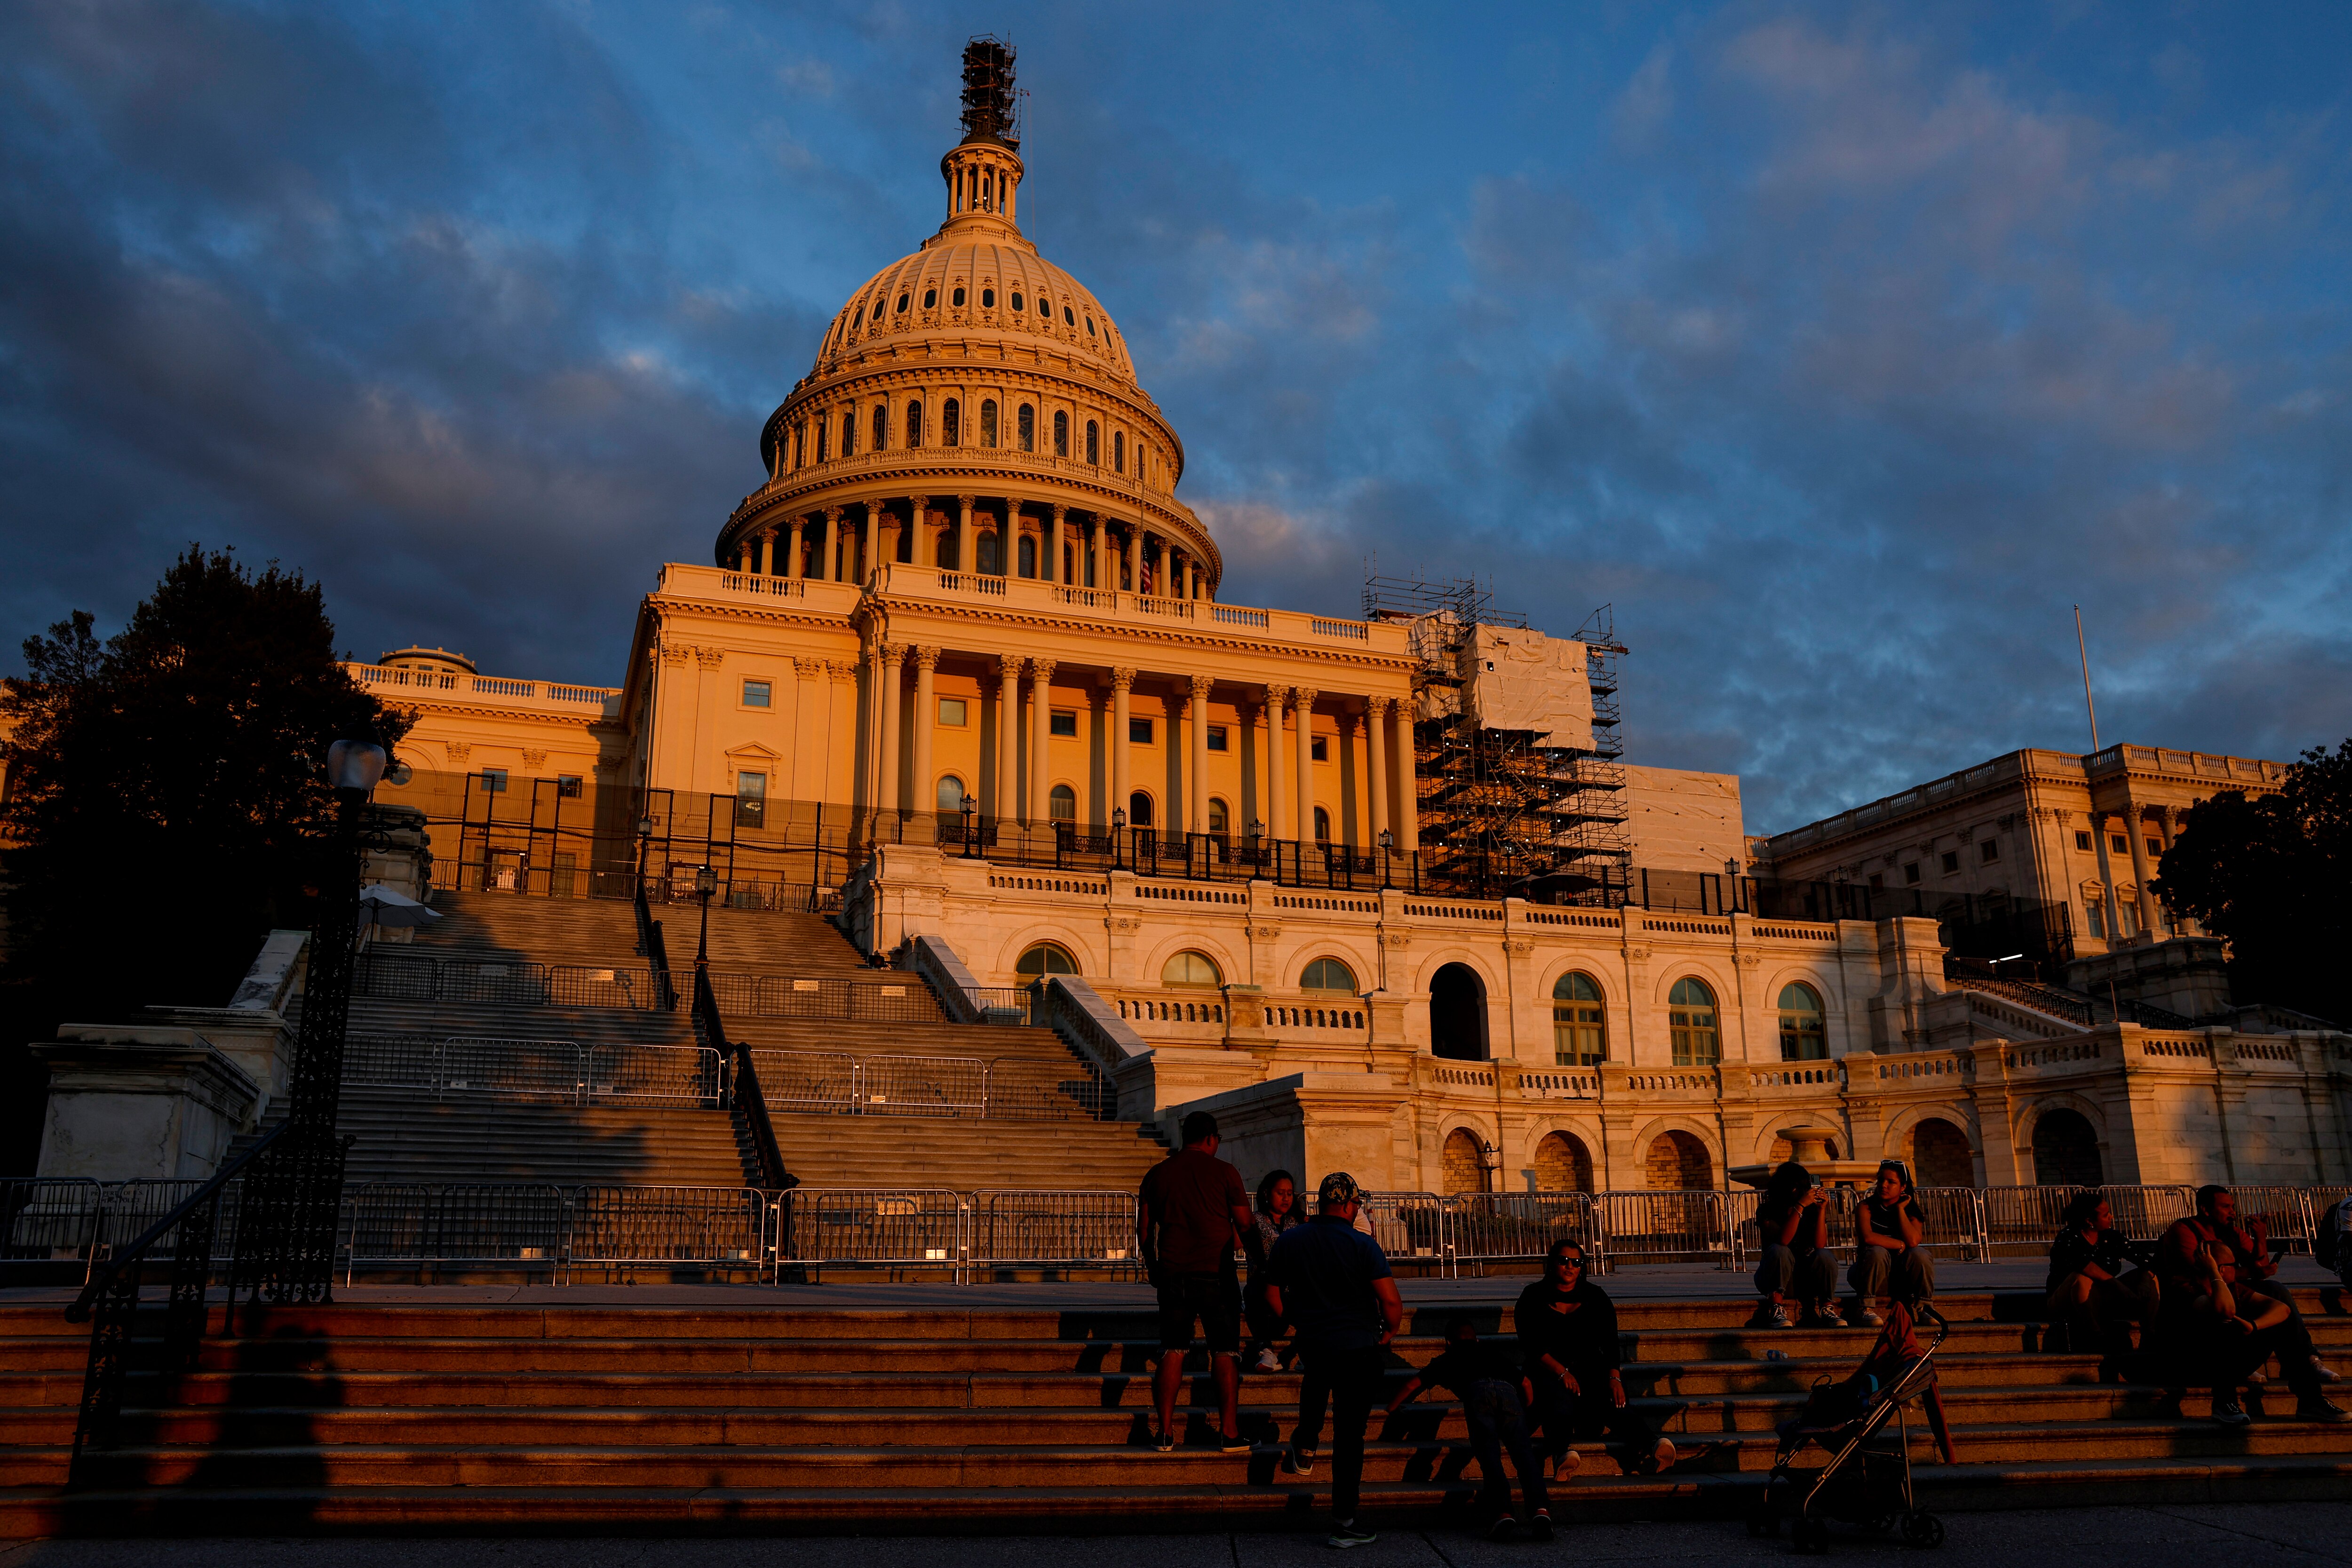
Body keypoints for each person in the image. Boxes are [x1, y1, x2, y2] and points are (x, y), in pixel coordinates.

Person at [1264, 1171, 1404, 1550]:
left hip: (1314, 1340)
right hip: (1357, 1345)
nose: (1356, 1208)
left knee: (1316, 1381)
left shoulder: (1291, 1239)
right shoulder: (1362, 1244)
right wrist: (1389, 1331)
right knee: (1349, 1437)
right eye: (1356, 1204)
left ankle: (1306, 1441)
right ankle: (1344, 1521)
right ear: (1347, 1205)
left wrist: (1297, 1321)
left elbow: (1273, 1294)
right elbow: (1391, 1302)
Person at [2156, 1186, 2341, 1416]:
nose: (2232, 1212)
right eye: (2225, 1207)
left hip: (2223, 1293)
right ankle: (2224, 1402)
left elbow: (2263, 1274)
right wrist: (2224, 1272)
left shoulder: (2232, 1235)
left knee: (2275, 1292)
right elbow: (2215, 1292)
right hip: (2191, 1360)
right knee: (2224, 1321)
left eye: (2233, 1206)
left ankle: (2310, 1391)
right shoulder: (2186, 1239)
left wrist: (2260, 1238)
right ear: (2205, 1209)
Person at [1136, 1110, 1256, 1454]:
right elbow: (1245, 1224)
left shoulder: (1158, 1174)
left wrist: (1153, 1265)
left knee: (1173, 1350)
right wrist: (1259, 1261)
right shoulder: (1225, 1172)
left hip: (1174, 1273)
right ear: (1210, 1138)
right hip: (1217, 1274)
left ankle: (1164, 1431)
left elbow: (1144, 1229)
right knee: (1225, 1351)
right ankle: (1229, 1432)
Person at [1517, 1238, 1676, 1481]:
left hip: (1588, 1371)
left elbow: (1611, 1341)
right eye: (1563, 1261)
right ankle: (1562, 1454)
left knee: (1612, 1402)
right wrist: (1561, 1371)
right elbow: (1531, 1344)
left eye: (1576, 1262)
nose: (1570, 1267)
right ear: (1552, 1264)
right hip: (1547, 1371)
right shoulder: (1533, 1296)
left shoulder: (1596, 1296)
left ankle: (1653, 1444)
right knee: (1559, 1400)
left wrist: (1614, 1378)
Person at [1388, 1316, 1550, 1540]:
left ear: (1448, 1342)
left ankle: (1503, 1513)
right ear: (1477, 1339)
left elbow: (1412, 1385)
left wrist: (1391, 1408)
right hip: (1508, 1394)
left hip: (1477, 1396)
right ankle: (1541, 1512)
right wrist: (1527, 1409)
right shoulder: (1493, 1355)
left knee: (1490, 1458)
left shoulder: (1447, 1358)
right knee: (1524, 1457)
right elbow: (1526, 1383)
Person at [2044, 1192, 2160, 1363]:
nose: (2111, 1217)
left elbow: (2146, 1260)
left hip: (2103, 1296)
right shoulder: (2068, 1237)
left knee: (2150, 1278)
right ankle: (2095, 1335)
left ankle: (2150, 1333)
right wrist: (2118, 1286)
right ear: (2089, 1220)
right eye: (2106, 1215)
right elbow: (2083, 1265)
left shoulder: (2111, 1237)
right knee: (2082, 1278)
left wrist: (2144, 1279)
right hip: (2067, 1298)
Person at [1753, 1162, 1838, 1329]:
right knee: (1780, 1250)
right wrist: (1800, 1206)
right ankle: (1776, 1307)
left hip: (1804, 1278)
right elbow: (1783, 1240)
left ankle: (1827, 1307)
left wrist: (1821, 1210)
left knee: (1825, 1255)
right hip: (1774, 1278)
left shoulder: (1811, 1209)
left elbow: (1820, 1244)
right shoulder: (1767, 1209)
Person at [1850, 1160, 1932, 1325]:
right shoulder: (1865, 1207)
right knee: (1877, 1251)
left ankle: (1925, 1308)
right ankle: (1865, 1307)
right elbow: (1868, 1238)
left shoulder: (1911, 1211)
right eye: (1881, 1180)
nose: (1883, 1185)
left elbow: (1914, 1241)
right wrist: (1901, 1245)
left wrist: (1900, 1210)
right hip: (1869, 1275)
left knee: (1921, 1254)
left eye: (1891, 1182)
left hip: (1900, 1279)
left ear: (1903, 1187)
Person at [1244, 1169, 1305, 1372]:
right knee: (1254, 1291)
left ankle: (1305, 1352)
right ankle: (1267, 1351)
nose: (1286, 1198)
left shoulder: (1297, 1222)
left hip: (1292, 1288)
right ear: (1267, 1193)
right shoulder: (1255, 1220)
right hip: (1261, 1287)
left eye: (1290, 1193)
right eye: (1281, 1193)